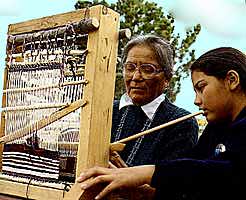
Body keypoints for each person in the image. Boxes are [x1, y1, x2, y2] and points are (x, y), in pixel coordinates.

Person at [77, 47, 246, 200]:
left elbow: (227, 173)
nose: (196, 101)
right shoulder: (218, 127)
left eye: (201, 88)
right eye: (129, 68)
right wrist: (142, 192)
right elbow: (191, 188)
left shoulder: (183, 122)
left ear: (232, 80)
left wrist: (147, 173)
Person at [110, 34, 198, 167]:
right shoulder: (108, 110)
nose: (136, 77)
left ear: (167, 78)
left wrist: (122, 176)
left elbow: (172, 184)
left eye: (147, 70)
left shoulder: (181, 122)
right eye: (130, 68)